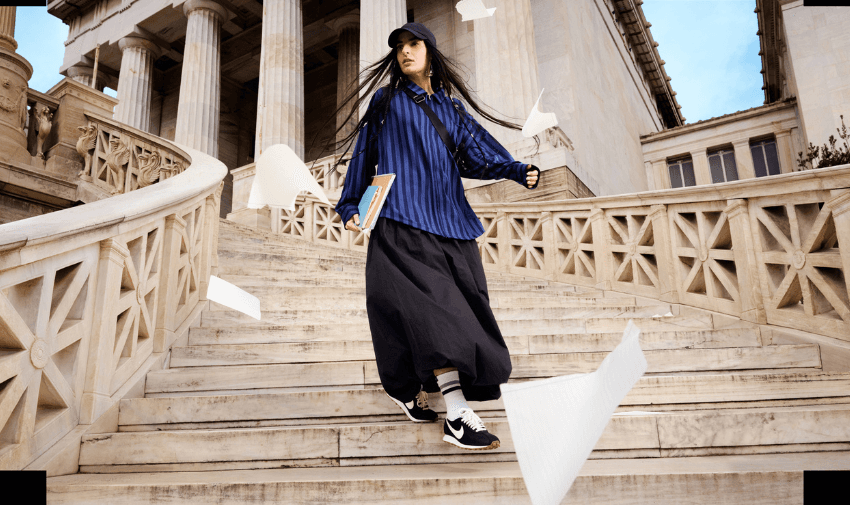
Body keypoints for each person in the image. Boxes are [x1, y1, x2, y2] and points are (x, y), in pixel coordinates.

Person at [330, 22, 539, 451]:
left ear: (430, 50)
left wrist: (515, 169)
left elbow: (477, 153)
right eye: (399, 48)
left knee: (461, 315)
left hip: (452, 226)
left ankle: (407, 390)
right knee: (436, 315)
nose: (405, 53)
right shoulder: (386, 101)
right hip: (400, 221)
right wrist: (350, 205)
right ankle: (458, 414)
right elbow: (364, 155)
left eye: (414, 44)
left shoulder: (451, 109)